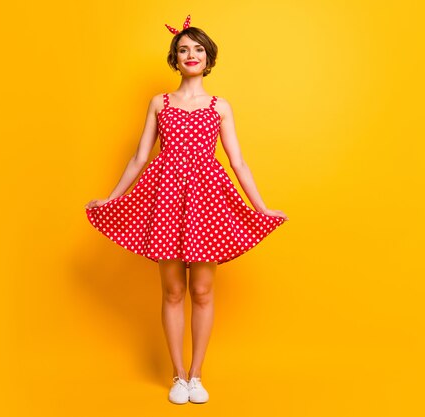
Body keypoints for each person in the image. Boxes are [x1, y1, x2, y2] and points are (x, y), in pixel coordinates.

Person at [85, 14, 288, 404]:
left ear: (208, 58)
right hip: (165, 202)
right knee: (174, 291)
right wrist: (111, 199)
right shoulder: (159, 103)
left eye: (197, 49)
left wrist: (261, 207)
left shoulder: (220, 106)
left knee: (203, 290)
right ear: (174, 59)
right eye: (183, 49)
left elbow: (238, 162)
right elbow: (139, 157)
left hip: (207, 203)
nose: (190, 55)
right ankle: (178, 376)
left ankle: (197, 375)